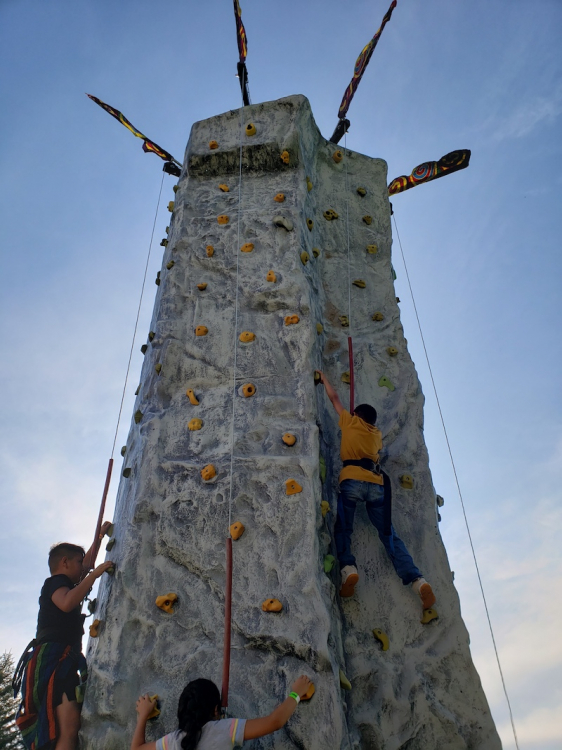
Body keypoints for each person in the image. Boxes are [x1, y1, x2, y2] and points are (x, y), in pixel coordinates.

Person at [317, 371, 435, 609]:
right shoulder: (377, 434)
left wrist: (323, 378)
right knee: (388, 534)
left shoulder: (349, 422)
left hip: (351, 479)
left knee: (344, 528)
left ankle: (348, 568)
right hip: (376, 484)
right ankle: (417, 580)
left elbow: (335, 398)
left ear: (356, 415)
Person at [15, 530, 113, 750]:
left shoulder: (65, 580)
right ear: (65, 562)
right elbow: (67, 602)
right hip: (55, 662)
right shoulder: (55, 583)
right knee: (67, 727)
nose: (84, 566)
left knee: (68, 726)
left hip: (61, 662)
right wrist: (94, 575)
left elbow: (86, 565)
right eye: (78, 562)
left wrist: (98, 539)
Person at [131, 674, 313, 750]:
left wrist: (143, 715)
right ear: (216, 710)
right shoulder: (225, 729)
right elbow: (275, 722)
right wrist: (296, 693)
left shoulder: (173, 741)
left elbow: (136, 749)